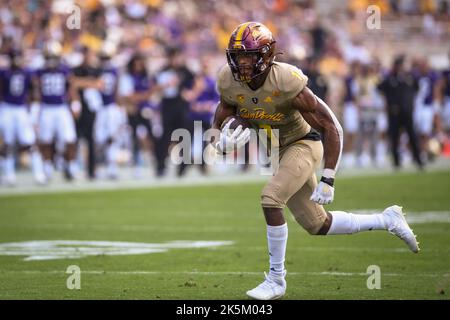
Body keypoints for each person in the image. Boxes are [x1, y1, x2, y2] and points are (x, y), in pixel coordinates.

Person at [212, 22, 419, 300]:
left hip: (304, 143)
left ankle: (276, 280)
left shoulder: (286, 81)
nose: (243, 62)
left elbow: (331, 126)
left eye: (248, 55)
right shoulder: (228, 80)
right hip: (279, 151)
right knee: (318, 224)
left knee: (271, 199)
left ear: (266, 55)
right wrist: (220, 142)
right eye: (238, 56)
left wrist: (329, 177)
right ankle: (387, 219)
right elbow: (223, 115)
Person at [0, 49, 46, 185]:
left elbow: (35, 90)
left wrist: (34, 109)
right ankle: (12, 175)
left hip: (15, 109)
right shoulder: (8, 73)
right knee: (9, 143)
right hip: (12, 109)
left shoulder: (21, 73)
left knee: (27, 142)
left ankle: (37, 174)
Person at [378, 56, 424, 170]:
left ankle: (418, 160)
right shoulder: (390, 78)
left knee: (412, 135)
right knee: (394, 137)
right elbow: (380, 90)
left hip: (407, 112)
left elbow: (417, 89)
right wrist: (388, 105)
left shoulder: (410, 77)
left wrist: (411, 104)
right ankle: (396, 162)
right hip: (394, 114)